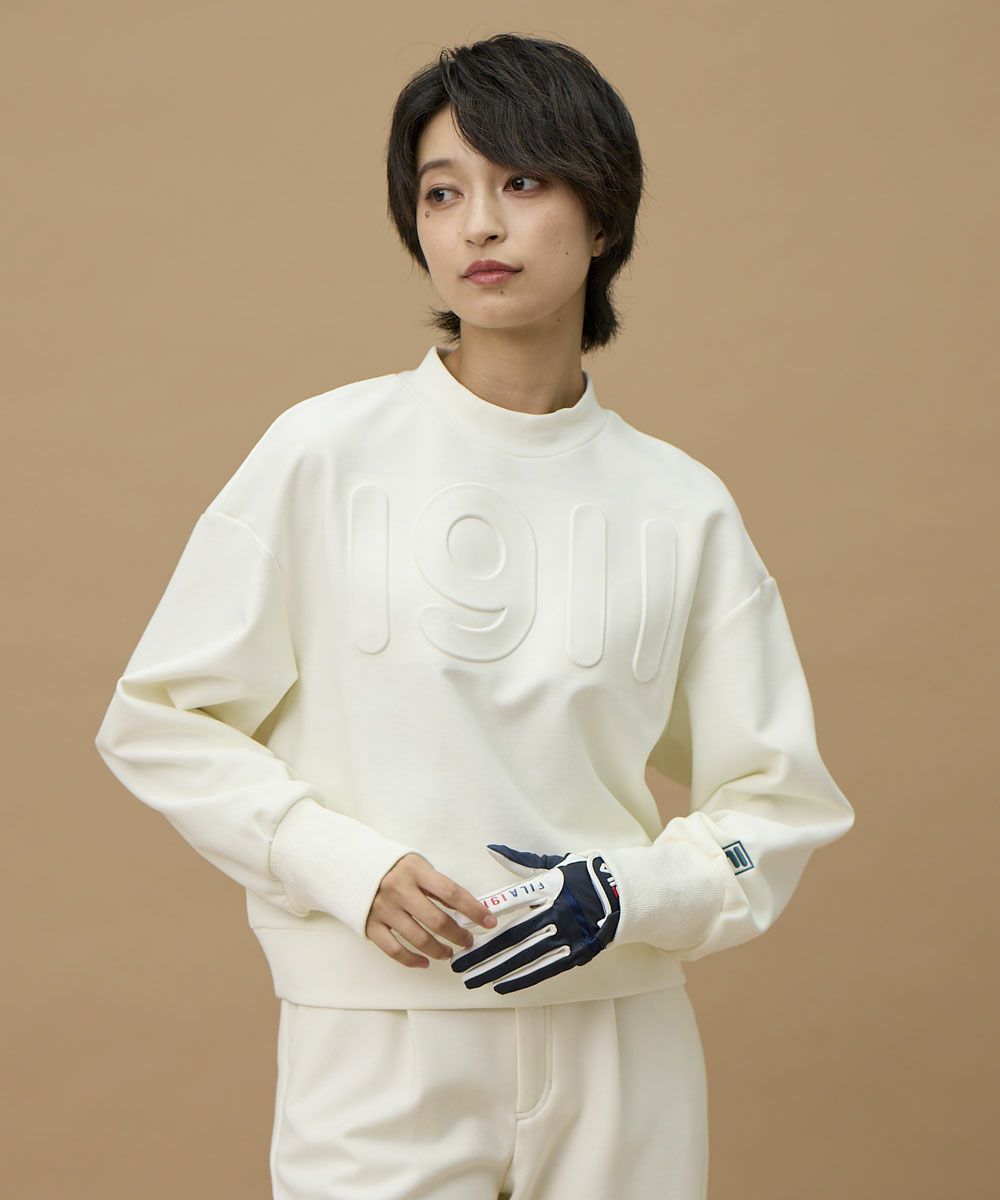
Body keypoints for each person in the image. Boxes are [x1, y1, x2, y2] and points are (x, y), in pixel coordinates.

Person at [94, 33, 855, 1200]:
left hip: (621, 1046)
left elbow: (780, 804)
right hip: (376, 1042)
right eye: (441, 194)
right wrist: (340, 863)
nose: (478, 227)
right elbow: (157, 718)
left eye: (522, 182)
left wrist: (635, 894)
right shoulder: (322, 455)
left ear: (602, 218)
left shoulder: (680, 505)